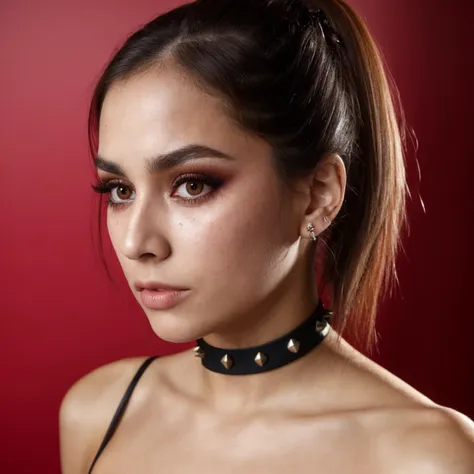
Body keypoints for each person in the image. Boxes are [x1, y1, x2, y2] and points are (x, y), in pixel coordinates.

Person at [59, 0, 474, 472]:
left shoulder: (429, 458)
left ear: (318, 195)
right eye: (120, 190)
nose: (137, 243)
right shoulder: (97, 414)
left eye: (192, 185)